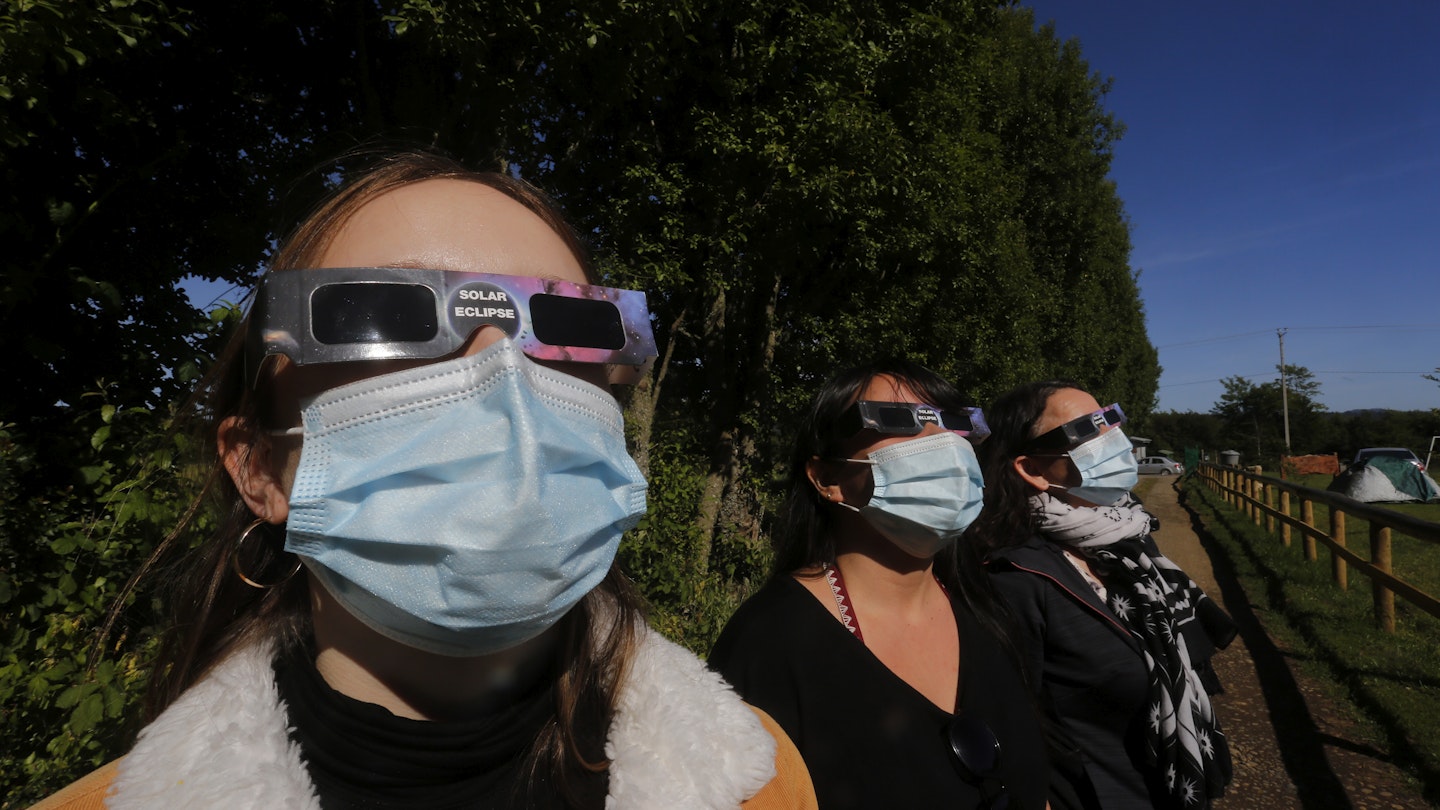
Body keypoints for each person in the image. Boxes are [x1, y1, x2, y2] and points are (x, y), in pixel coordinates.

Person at [33, 149, 816, 810]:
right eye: (387, 314)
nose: (497, 369)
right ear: (258, 466)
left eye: (564, 325)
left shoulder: (766, 782)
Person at [709, 359, 1049, 810]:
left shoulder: (988, 606)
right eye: (895, 419)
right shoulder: (768, 643)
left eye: (955, 422)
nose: (941, 441)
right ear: (828, 478)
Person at [972, 380, 1236, 810]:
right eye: (1084, 431)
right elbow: (1014, 728)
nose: (1111, 438)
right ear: (1033, 469)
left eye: (1109, 419)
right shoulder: (1013, 576)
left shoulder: (1130, 538)